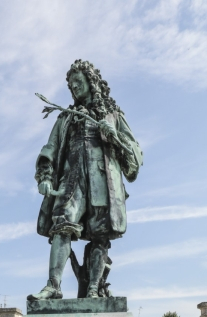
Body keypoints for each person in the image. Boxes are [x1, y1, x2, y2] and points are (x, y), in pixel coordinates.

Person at [27, 59, 143, 301]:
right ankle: (53, 286)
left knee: (101, 234)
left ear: (91, 82)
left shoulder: (114, 116)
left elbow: (134, 155)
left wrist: (114, 137)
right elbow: (50, 148)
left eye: (77, 82)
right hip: (72, 180)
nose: (74, 88)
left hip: (103, 182)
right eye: (71, 85)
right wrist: (45, 177)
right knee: (62, 225)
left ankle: (93, 289)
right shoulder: (66, 118)